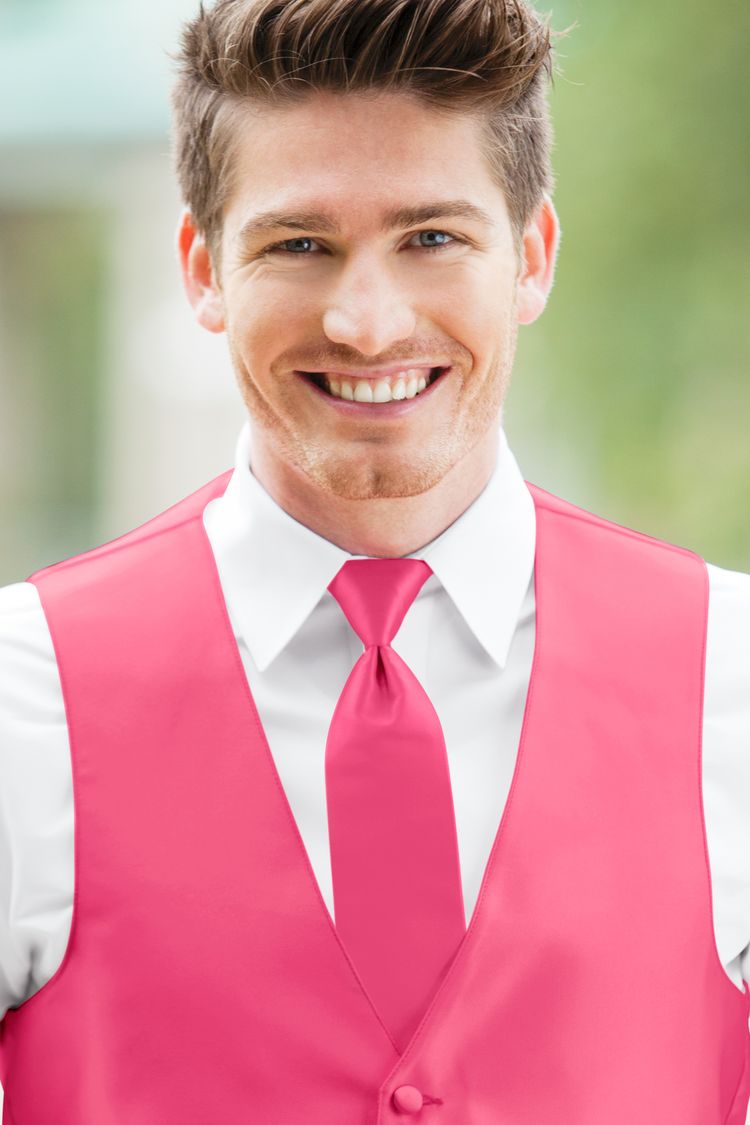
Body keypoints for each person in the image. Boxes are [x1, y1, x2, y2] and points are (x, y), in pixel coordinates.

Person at [0, 0, 748, 1120]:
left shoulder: (731, 676)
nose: (365, 322)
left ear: (532, 257)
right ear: (203, 268)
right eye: (300, 244)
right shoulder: (23, 697)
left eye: (432, 238)